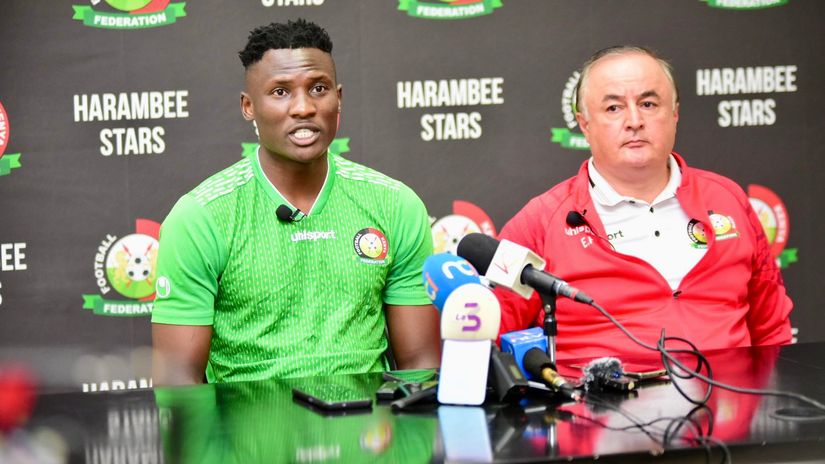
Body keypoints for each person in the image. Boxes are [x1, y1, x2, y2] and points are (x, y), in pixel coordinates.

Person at [151, 19, 440, 385]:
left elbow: (420, 364)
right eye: (280, 92)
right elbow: (178, 383)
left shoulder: (394, 205)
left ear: (339, 98)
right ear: (248, 106)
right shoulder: (201, 217)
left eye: (318, 88)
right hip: (251, 438)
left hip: (368, 435)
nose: (303, 107)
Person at [496, 46, 793, 360]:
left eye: (649, 104)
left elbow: (771, 331)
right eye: (613, 108)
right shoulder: (540, 222)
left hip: (729, 403)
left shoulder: (727, 199)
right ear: (584, 125)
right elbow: (489, 330)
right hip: (594, 406)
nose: (634, 121)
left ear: (675, 114)